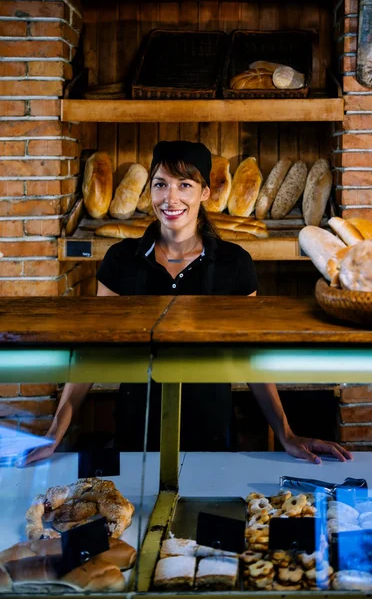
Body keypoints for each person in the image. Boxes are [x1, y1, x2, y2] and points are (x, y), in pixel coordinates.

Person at [18, 141, 352, 467]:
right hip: (137, 432)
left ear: (205, 193)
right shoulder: (121, 260)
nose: (170, 198)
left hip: (212, 433)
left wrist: (286, 433)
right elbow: (94, 353)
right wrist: (55, 432)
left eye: (185, 185)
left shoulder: (234, 263)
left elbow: (250, 355)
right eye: (160, 184)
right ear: (150, 190)